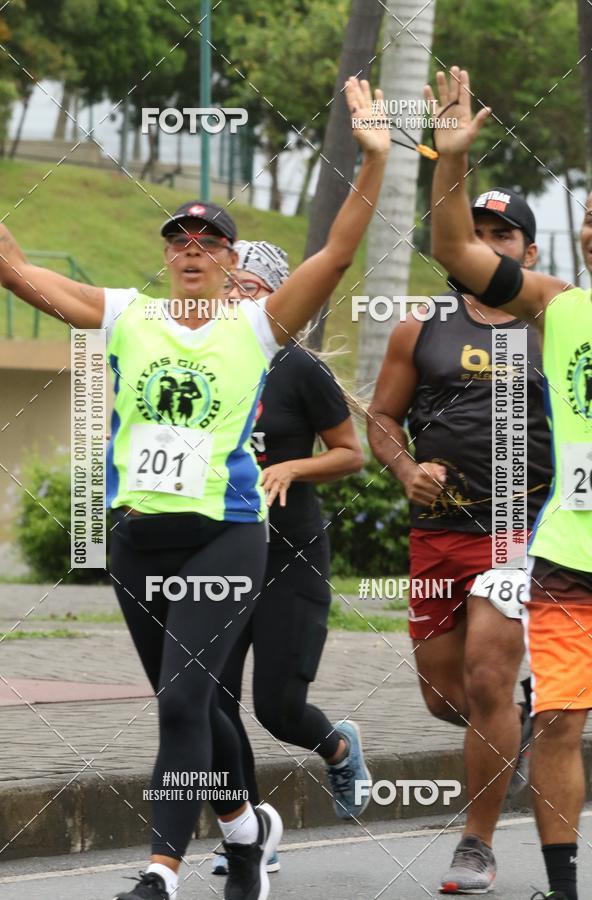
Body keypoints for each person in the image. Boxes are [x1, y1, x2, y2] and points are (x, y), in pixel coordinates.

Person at [0, 77, 390, 900]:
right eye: (179, 237)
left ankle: (160, 871)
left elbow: (337, 254)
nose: (191, 249)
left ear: (229, 261)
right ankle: (246, 834)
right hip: (136, 539)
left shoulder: (257, 326)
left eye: (209, 242)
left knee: (182, 704)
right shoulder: (125, 314)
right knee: (201, 710)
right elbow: (18, 270)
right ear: (166, 251)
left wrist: (374, 159)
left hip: (226, 534)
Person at [428, 64, 592, 900]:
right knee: (559, 719)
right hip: (569, 550)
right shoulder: (561, 307)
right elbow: (457, 251)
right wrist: (451, 156)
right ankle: (564, 889)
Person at [368, 186, 552, 893]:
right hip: (438, 533)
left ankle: (475, 842)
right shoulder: (419, 325)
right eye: (473, 231)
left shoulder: (551, 326)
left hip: (520, 529)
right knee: (447, 700)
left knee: (484, 678)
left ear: (528, 254)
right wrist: (407, 469)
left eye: (500, 236)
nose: (483, 244)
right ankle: (520, 717)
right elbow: (383, 418)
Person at [210, 240, 371, 877]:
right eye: (229, 286)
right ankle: (250, 833)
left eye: (249, 287)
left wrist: (292, 466)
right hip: (219, 559)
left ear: (276, 298)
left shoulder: (299, 369)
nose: (234, 297)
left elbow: (351, 453)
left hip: (288, 559)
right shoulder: (200, 362)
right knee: (209, 705)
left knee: (277, 709)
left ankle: (336, 746)